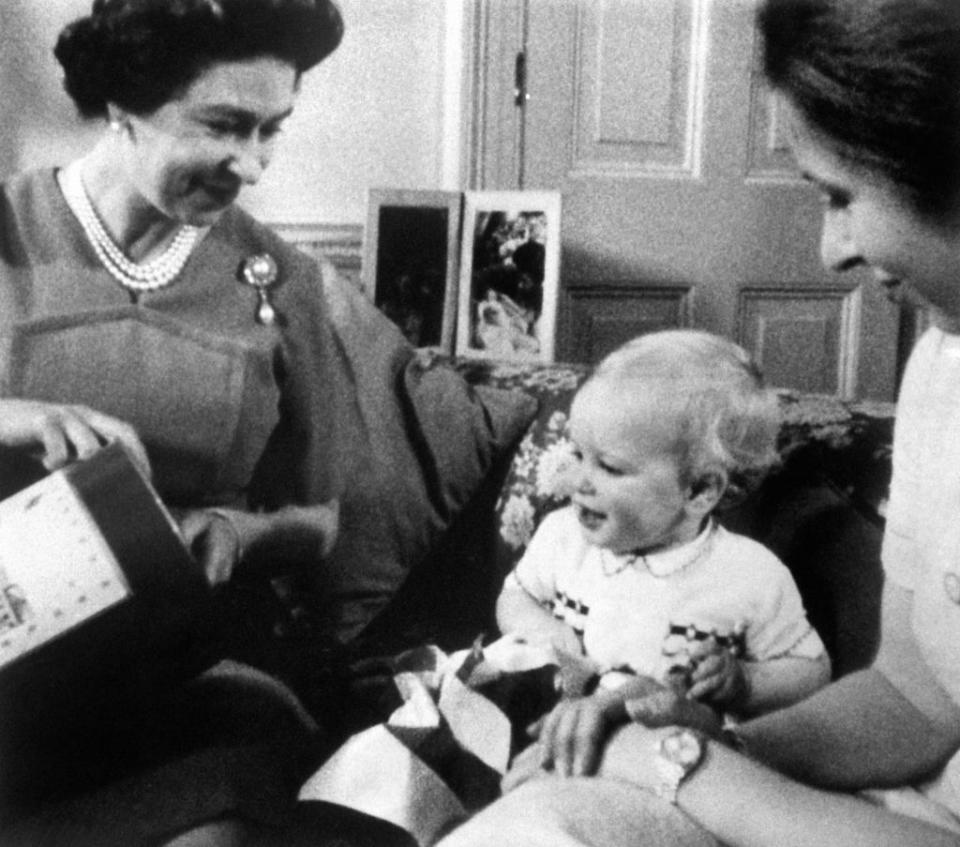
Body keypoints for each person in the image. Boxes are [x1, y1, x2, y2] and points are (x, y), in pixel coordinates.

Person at [437, 0, 960, 844]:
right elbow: (917, 699)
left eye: (841, 195)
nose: (832, 252)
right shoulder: (946, 361)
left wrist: (687, 767)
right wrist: (711, 735)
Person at [0, 2, 412, 845]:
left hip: (186, 649)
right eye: (224, 124)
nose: (252, 164)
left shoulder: (283, 279)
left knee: (222, 820)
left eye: (272, 131)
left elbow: (320, 517)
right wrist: (15, 415)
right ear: (125, 106)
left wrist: (235, 529)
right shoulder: (8, 229)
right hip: (16, 650)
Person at [496, 330, 829, 778]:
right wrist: (550, 638)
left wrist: (746, 683)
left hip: (660, 756)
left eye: (609, 467)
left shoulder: (750, 574)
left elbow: (812, 669)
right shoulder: (562, 537)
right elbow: (514, 597)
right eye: (578, 454)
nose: (578, 480)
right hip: (546, 727)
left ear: (699, 490)